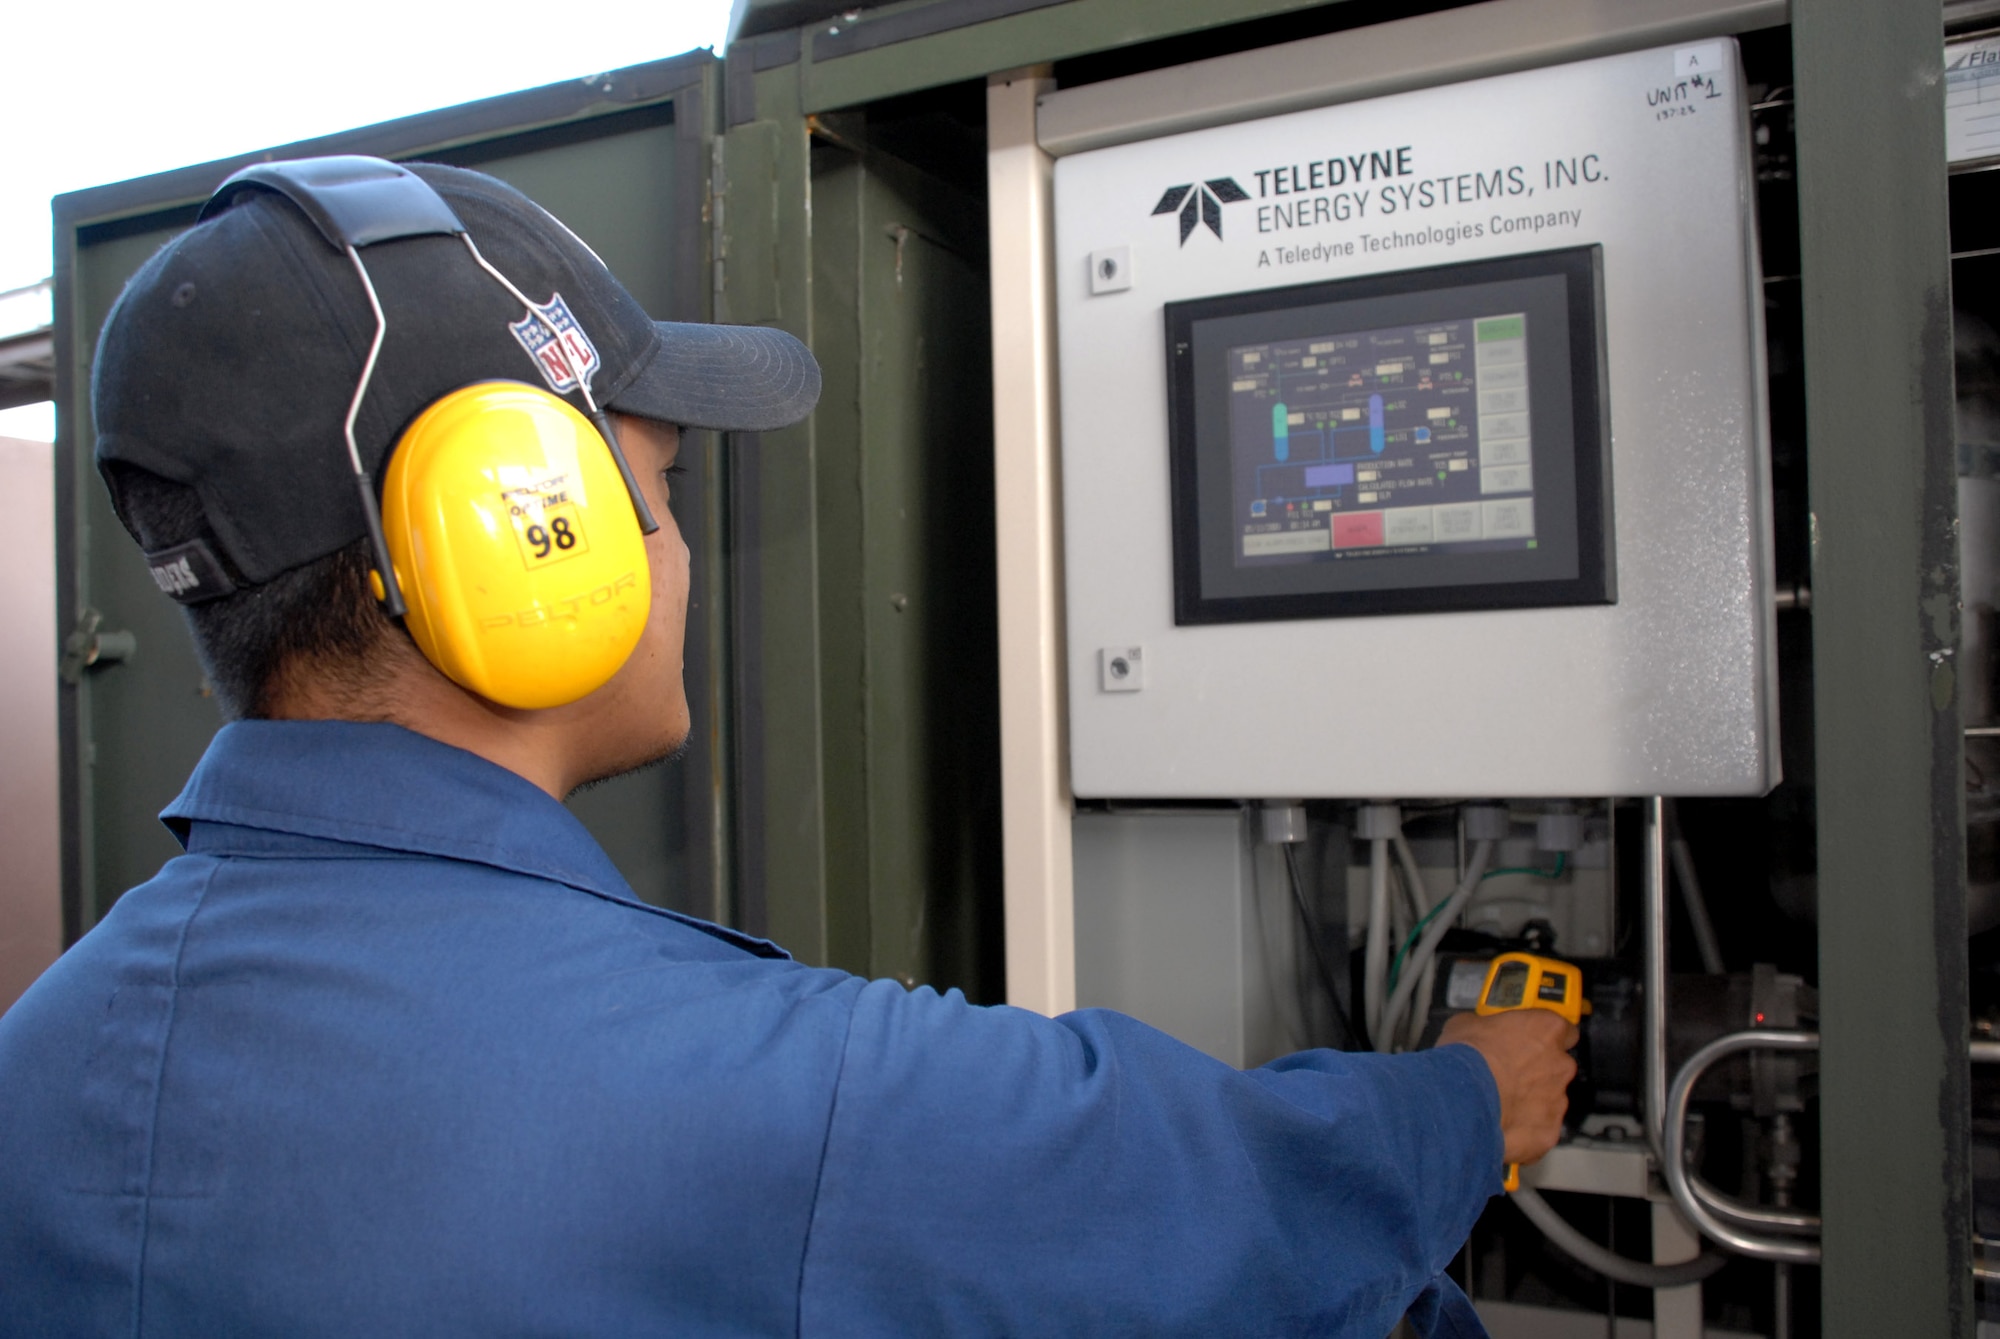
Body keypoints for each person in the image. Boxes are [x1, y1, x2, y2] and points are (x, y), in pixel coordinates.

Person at [0, 157, 1576, 1337]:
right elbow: (1210, 1192)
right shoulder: (763, 1093)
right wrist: (1466, 1097)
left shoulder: (40, 1056)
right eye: (663, 492)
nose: (679, 555)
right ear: (523, 541)